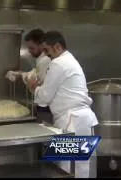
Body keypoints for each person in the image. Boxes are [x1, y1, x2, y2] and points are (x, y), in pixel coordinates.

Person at [27, 31, 98, 178]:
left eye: (47, 50)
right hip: (80, 120)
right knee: (80, 168)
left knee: (68, 170)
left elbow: (45, 97)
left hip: (72, 121)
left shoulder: (59, 63)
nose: (46, 54)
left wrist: (33, 87)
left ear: (57, 46)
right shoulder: (69, 60)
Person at [5, 28, 52, 123]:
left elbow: (36, 80)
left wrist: (21, 75)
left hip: (46, 106)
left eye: (32, 48)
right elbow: (34, 73)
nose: (30, 51)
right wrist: (19, 74)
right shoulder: (41, 60)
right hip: (44, 105)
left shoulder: (45, 61)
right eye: (29, 48)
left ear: (41, 45)